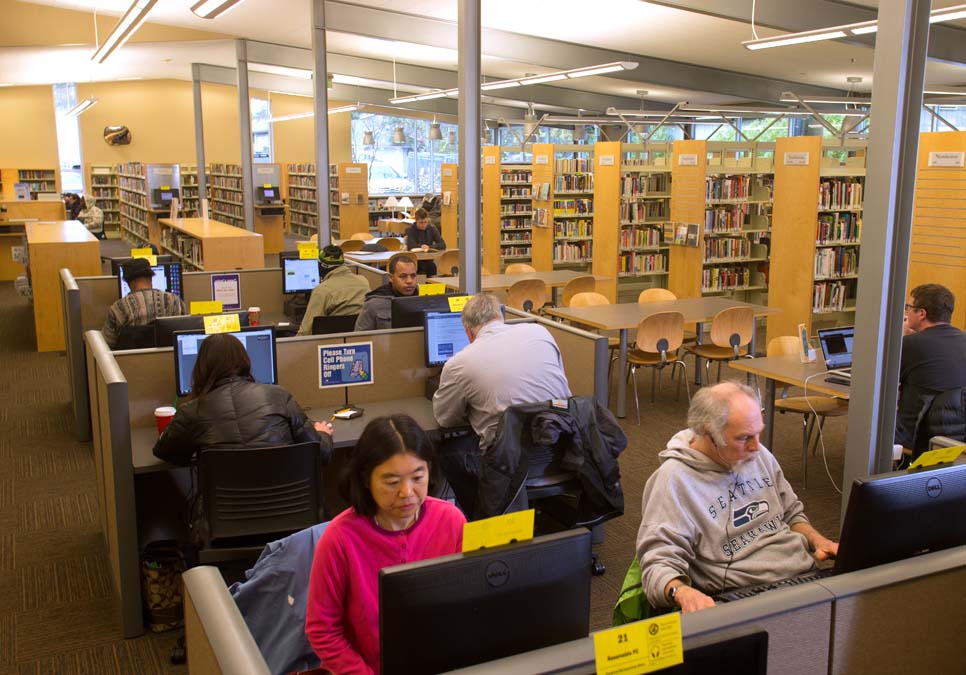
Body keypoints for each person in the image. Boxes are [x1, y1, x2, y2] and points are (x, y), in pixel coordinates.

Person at [636, 381, 838, 614]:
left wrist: (818, 541)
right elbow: (657, 564)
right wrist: (681, 592)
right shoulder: (673, 480)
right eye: (744, 438)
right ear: (708, 434)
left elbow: (791, 514)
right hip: (744, 595)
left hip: (803, 577)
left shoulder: (758, 454)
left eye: (758, 433)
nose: (756, 446)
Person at [304, 415, 465, 675]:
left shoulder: (451, 521)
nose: (407, 492)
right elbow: (322, 630)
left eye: (418, 477)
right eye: (392, 482)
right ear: (366, 479)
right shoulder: (340, 539)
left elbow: (466, 605)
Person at [432, 293, 572, 512]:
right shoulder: (540, 332)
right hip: (564, 449)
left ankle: (481, 515)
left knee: (449, 450)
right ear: (501, 317)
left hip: (510, 465)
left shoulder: (459, 363)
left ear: (468, 332)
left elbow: (446, 419)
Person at [153, 332, 333, 467]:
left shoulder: (192, 411)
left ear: (201, 369)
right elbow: (321, 454)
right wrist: (322, 433)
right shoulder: (278, 396)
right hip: (289, 504)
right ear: (245, 362)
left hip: (224, 507)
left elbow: (166, 453)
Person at [897, 283, 966, 449]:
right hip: (956, 438)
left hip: (915, 436)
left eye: (908, 307)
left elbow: (883, 388)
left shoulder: (909, 345)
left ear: (921, 313)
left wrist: (903, 338)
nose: (906, 313)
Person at [101, 257, 187, 348]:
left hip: (131, 356)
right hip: (169, 356)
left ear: (129, 282)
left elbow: (105, 344)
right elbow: (186, 334)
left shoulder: (119, 308)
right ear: (151, 278)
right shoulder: (175, 301)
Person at [297, 245, 369, 336]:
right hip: (361, 339)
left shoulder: (322, 290)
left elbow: (306, 331)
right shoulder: (364, 281)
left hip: (329, 342)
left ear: (322, 266)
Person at [353, 254, 418, 331]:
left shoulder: (424, 299)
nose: (409, 281)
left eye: (413, 276)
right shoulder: (374, 304)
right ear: (391, 278)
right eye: (403, 276)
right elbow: (361, 336)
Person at [405, 207, 446, 276]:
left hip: (428, 259)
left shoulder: (432, 228)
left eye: (425, 222)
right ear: (416, 221)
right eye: (421, 223)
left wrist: (429, 247)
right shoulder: (410, 229)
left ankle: (430, 282)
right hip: (415, 260)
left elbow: (442, 244)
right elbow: (411, 246)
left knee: (432, 267)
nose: (423, 225)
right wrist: (421, 246)